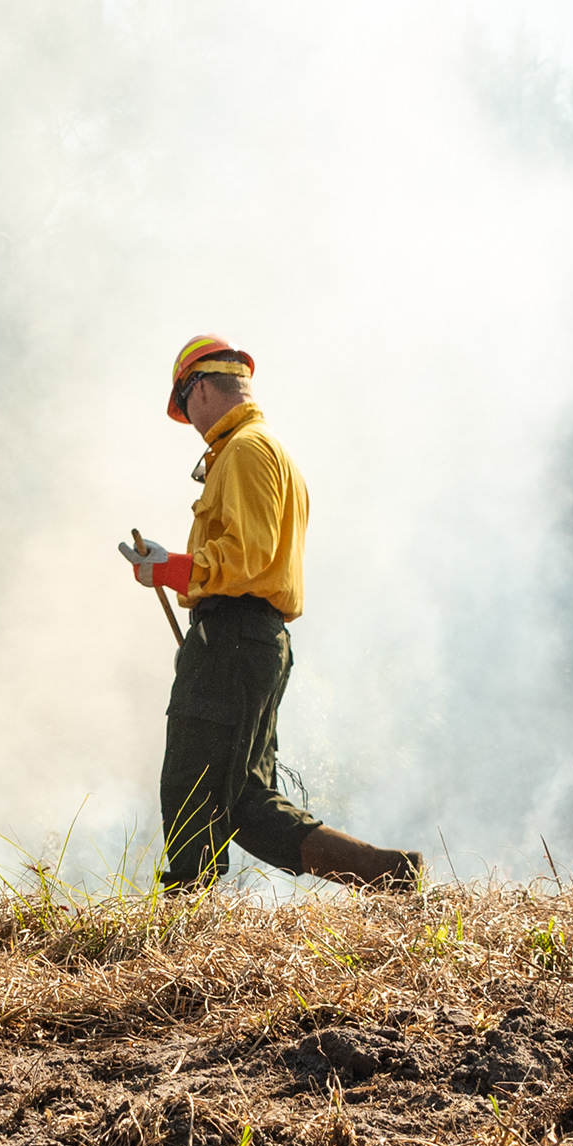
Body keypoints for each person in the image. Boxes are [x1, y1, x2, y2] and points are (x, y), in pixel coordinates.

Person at [123, 335, 426, 893]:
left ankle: (184, 920)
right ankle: (387, 873)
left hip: (234, 637)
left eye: (183, 404)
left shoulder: (243, 450)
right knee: (242, 800)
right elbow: (249, 560)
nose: (187, 419)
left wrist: (169, 570)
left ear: (203, 388)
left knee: (191, 780)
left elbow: (244, 559)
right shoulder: (267, 452)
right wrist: (173, 574)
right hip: (247, 638)